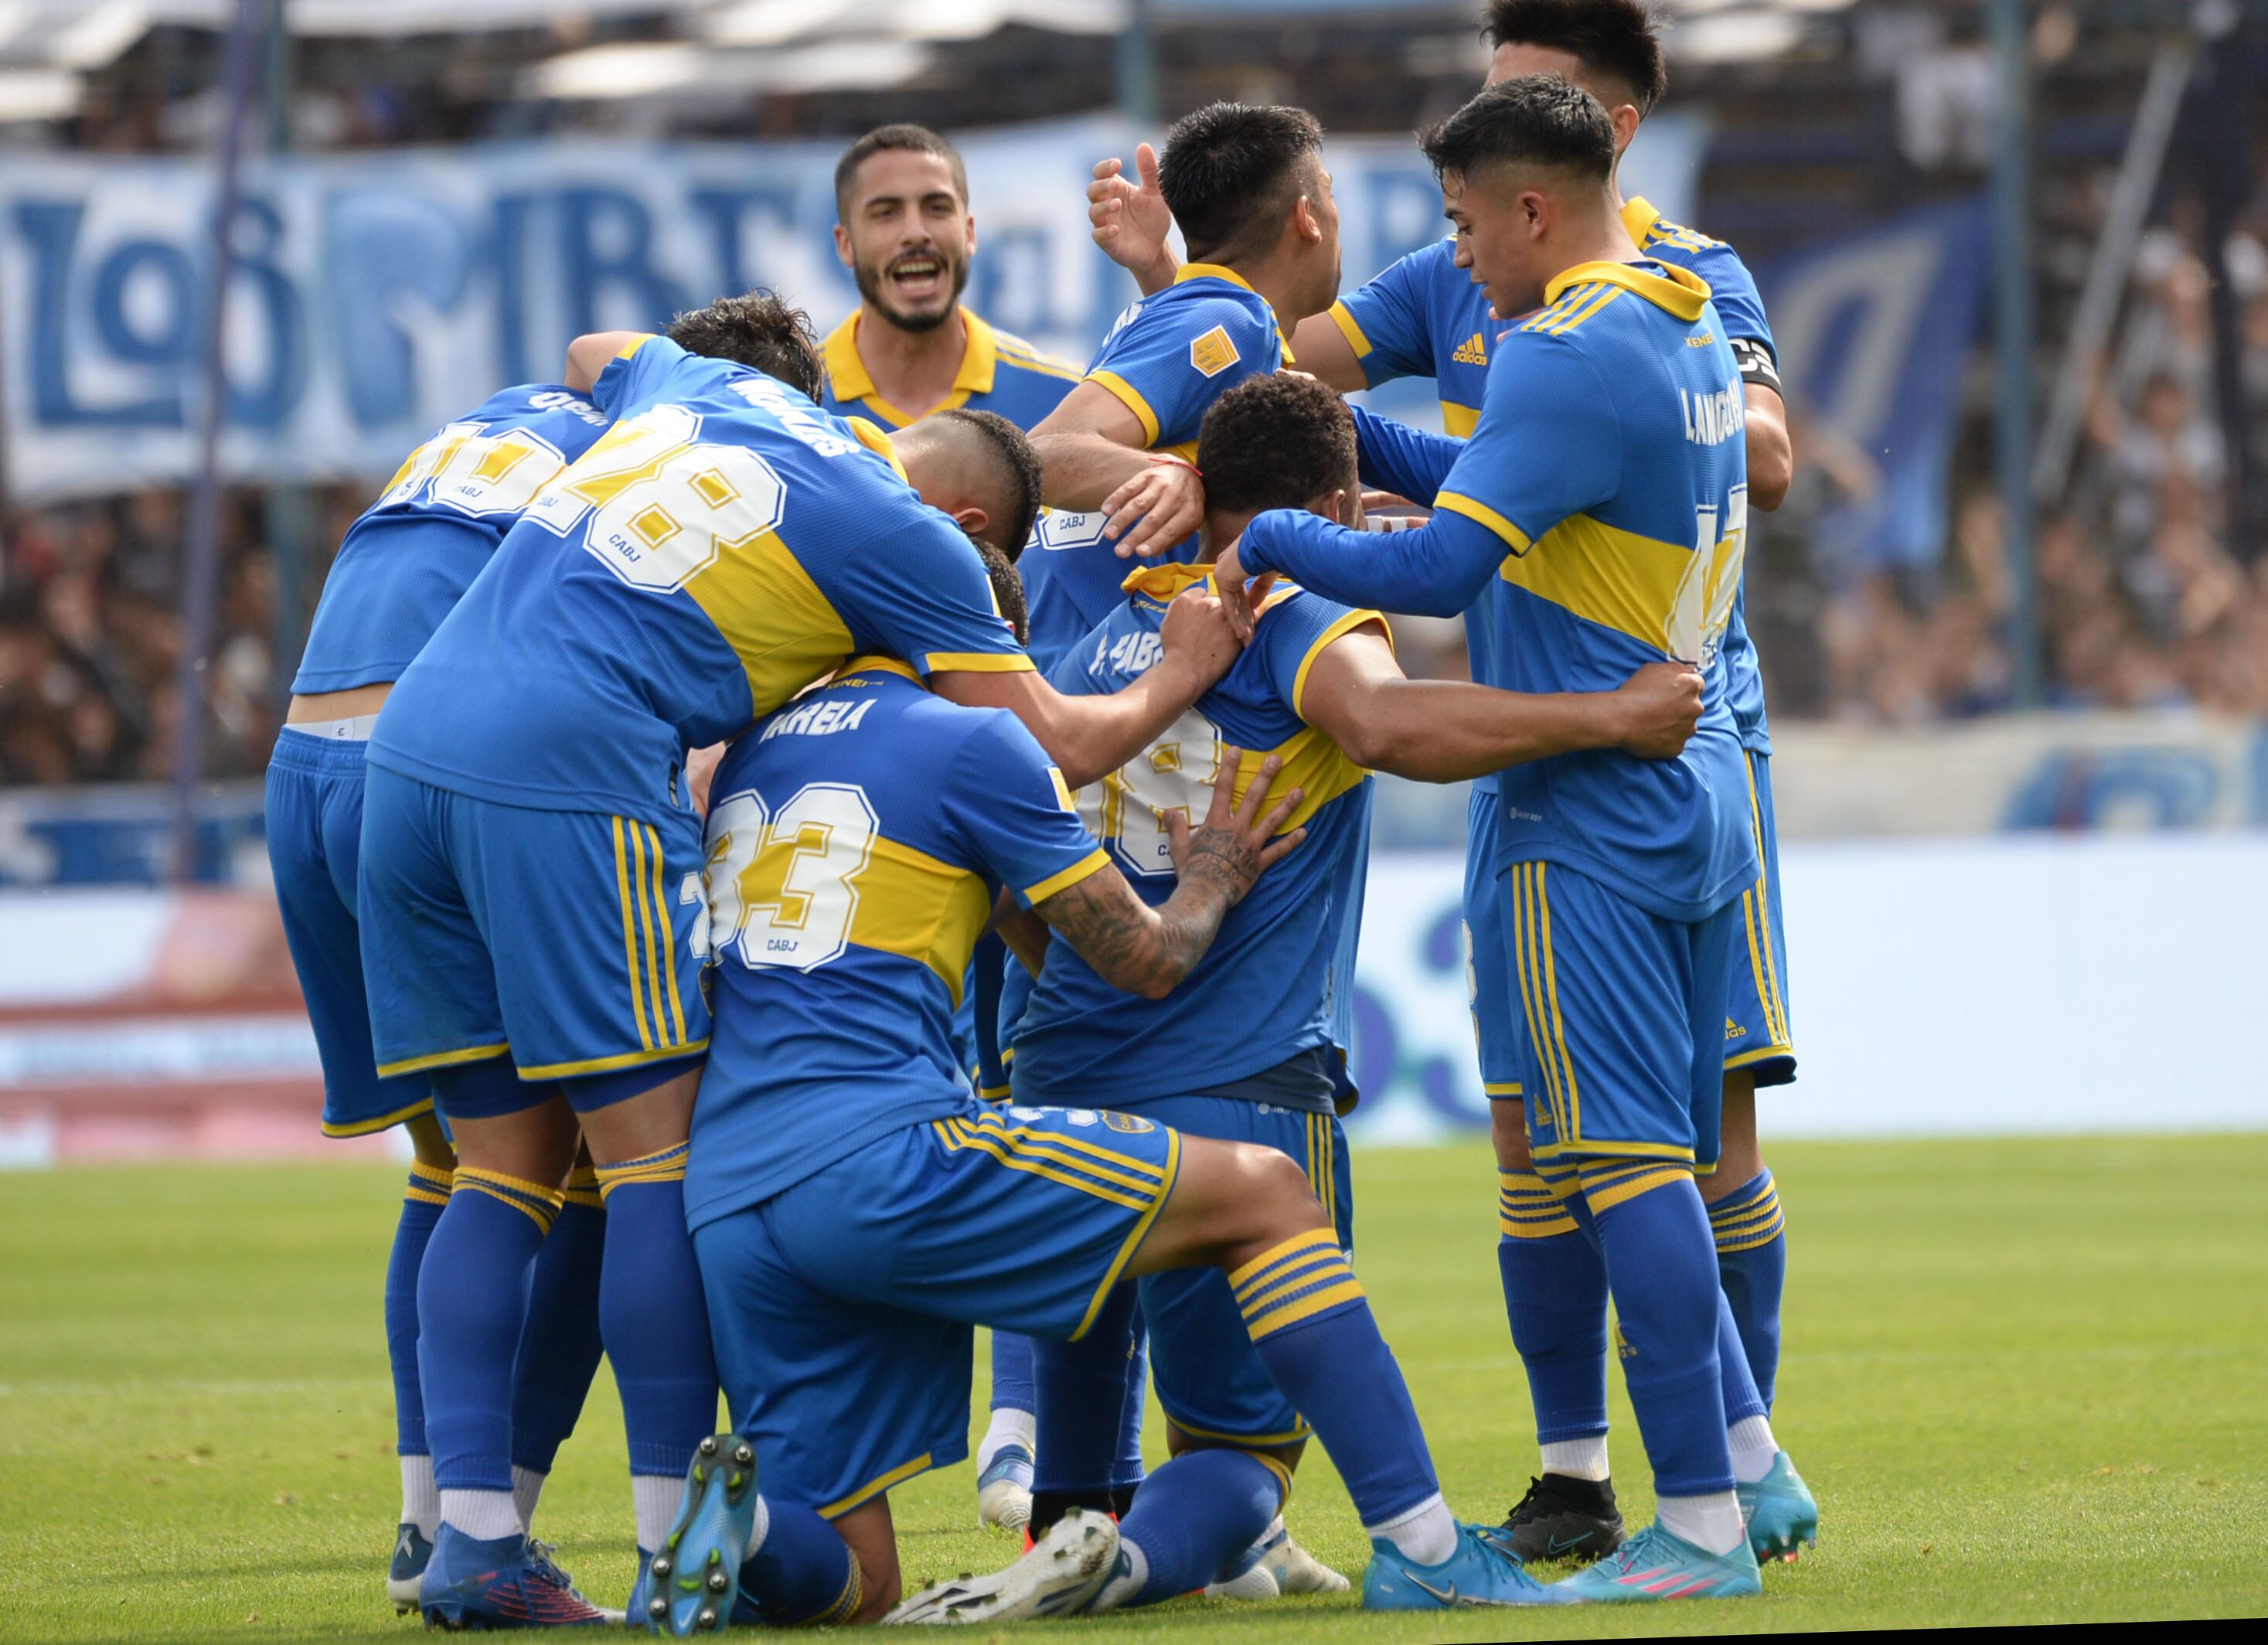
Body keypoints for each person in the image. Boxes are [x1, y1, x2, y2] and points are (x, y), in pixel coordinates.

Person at [356, 293, 1239, 1629]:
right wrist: (1180, 668)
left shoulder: (710, 392)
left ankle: (464, 1531)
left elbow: (591, 347)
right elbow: (1051, 739)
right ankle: (671, 1537)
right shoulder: (911, 545)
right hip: (569, 766)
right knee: (649, 1157)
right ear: (973, 534)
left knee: (495, 1167)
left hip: (408, 744)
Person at [1089, 0, 1810, 1565]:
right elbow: (1494, 479)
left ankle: (1696, 1512)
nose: (1458, 260)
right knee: (1661, 1154)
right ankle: (1732, 1466)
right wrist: (1326, 430)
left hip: (1583, 804)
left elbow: (1442, 561)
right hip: (1689, 788)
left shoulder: (1557, 345)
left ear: (1537, 205)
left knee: (1619, 1166)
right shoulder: (1675, 310)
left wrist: (1270, 535)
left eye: (1469, 223)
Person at [651, 554, 1571, 1636]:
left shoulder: (757, 752)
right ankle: (1426, 1550)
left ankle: (746, 1532)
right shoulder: (971, 738)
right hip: (878, 1156)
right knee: (1269, 1199)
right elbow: (1141, 958)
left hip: (727, 1194)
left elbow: (989, 913)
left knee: (859, 1581)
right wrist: (1214, 873)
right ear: (972, 633)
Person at [1009, 370, 1705, 1609]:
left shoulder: (1115, 618)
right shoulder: (1298, 609)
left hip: (1062, 1067)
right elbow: (1391, 730)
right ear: (1332, 501)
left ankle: (1066, 1543)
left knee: (1081, 1426)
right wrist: (1610, 713)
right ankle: (1129, 1558)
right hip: (1240, 1084)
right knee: (1241, 1456)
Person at [265, 379, 623, 1613]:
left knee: (447, 1164)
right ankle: (491, 1524)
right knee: (571, 1162)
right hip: (422, 779)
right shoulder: (661, 460)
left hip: (302, 768)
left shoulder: (484, 424)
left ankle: (429, 1529)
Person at [817, 121, 1087, 1533]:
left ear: (972, 231)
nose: (914, 231)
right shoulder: (799, 418)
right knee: (878, 1112)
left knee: (1035, 1090)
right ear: (845, 245)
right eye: (885, 211)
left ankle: (1023, 1422)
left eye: (937, 206)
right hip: (839, 824)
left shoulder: (1050, 400)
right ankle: (814, 1450)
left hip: (1003, 795)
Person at [1021, 100, 1342, 664]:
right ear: (1306, 216)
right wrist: (1172, 476)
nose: (1336, 212)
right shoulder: (1233, 323)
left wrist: (1156, 266)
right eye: (1329, 193)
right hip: (1067, 667)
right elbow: (1039, 453)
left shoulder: (1216, 320)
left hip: (1083, 663)